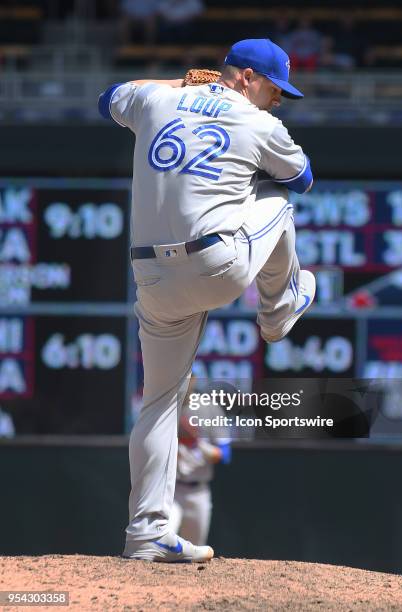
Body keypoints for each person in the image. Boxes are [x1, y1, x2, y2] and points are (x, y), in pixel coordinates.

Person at [98, 37, 315, 563]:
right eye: (274, 86)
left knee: (158, 402)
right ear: (243, 77)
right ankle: (279, 309)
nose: (279, 99)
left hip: (151, 274)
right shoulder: (258, 122)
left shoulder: (156, 100)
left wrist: (181, 84)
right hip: (217, 264)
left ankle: (145, 535)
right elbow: (303, 178)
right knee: (280, 203)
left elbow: (107, 98)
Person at [170, 377, 231, 545]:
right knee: (165, 541)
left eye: (188, 377)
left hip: (198, 492)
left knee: (195, 552)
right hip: (170, 491)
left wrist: (196, 442)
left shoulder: (209, 408)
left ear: (194, 380)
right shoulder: (164, 406)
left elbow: (225, 454)